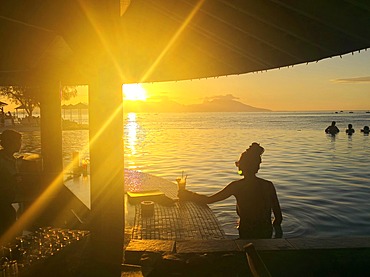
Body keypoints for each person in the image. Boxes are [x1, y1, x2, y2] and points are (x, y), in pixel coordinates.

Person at [178, 143, 283, 239]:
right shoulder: (268, 186)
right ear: (257, 166)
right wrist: (276, 237)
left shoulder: (236, 186)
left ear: (241, 166)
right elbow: (278, 218)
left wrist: (189, 195)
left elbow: (209, 200)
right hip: (266, 233)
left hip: (246, 232)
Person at [0, 129, 22, 237]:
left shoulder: (8, 158)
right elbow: (15, 179)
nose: (20, 144)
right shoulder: (4, 161)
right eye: (18, 142)